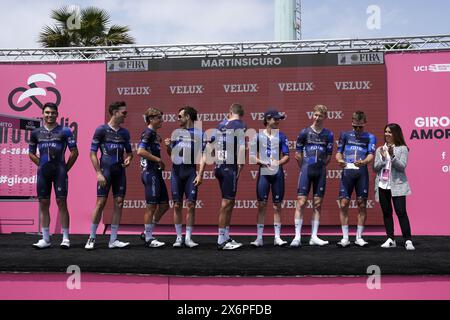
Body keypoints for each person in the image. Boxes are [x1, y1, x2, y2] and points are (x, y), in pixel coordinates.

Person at [29, 102, 79, 249]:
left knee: (61, 203)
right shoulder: (36, 133)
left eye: (52, 113)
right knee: (43, 204)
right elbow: (31, 153)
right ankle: (45, 239)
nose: (50, 115)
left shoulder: (65, 131)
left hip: (60, 173)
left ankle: (65, 238)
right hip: (43, 173)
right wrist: (42, 165)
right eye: (47, 112)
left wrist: (65, 168)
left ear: (57, 114)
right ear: (42, 114)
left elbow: (75, 152)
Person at [85, 101, 133, 250]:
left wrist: (129, 159)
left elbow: (130, 153)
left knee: (119, 203)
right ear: (114, 112)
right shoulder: (101, 130)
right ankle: (92, 238)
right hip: (105, 172)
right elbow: (92, 153)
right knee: (100, 203)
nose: (126, 115)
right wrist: (98, 173)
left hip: (120, 172)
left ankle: (113, 239)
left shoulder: (125, 132)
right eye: (123, 113)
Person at [165, 106, 207, 248]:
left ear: (187, 117)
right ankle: (178, 238)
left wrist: (200, 175)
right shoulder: (176, 133)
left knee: (191, 205)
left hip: (190, 173)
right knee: (177, 205)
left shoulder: (200, 134)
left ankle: (188, 238)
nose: (178, 119)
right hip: (177, 173)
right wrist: (168, 146)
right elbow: (172, 156)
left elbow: (203, 156)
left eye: (180, 116)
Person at [292, 105, 334, 247]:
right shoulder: (304, 132)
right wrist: (305, 167)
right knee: (301, 202)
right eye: (315, 115)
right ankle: (297, 237)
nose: (317, 118)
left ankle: (314, 236)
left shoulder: (329, 134)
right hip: (306, 170)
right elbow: (297, 154)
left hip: (320, 171)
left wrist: (319, 165)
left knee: (317, 204)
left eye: (320, 116)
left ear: (325, 117)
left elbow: (329, 156)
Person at [249, 109, 290, 247]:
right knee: (261, 205)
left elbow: (286, 155)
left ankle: (277, 238)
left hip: (277, 172)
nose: (278, 121)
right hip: (264, 172)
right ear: (267, 120)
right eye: (276, 119)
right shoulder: (258, 136)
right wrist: (262, 162)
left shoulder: (282, 135)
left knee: (277, 205)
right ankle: (259, 238)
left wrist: (278, 162)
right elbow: (252, 156)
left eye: (279, 119)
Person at [336, 111, 376, 247]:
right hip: (347, 172)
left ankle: (359, 237)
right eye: (355, 127)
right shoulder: (345, 135)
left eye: (360, 127)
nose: (357, 129)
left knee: (362, 204)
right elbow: (338, 153)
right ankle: (345, 238)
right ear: (352, 123)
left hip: (361, 173)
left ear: (364, 123)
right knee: (343, 204)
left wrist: (364, 162)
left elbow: (371, 154)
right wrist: (340, 160)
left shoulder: (370, 137)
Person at [211, 103, 247, 250]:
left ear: (230, 112)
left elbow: (212, 147)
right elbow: (241, 146)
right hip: (229, 168)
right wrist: (240, 165)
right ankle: (221, 240)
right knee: (227, 204)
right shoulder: (240, 124)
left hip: (219, 167)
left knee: (229, 203)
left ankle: (225, 236)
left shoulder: (220, 125)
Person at [374, 123, 414, 250]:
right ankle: (390, 239)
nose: (387, 134)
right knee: (386, 213)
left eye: (390, 132)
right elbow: (375, 168)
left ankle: (408, 240)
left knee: (401, 212)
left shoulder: (402, 148)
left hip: (397, 185)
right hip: (382, 184)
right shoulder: (379, 149)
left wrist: (392, 156)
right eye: (386, 131)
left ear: (395, 134)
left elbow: (401, 167)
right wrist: (383, 158)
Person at [136, 107, 170, 248]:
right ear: (151, 119)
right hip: (150, 174)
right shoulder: (148, 133)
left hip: (156, 173)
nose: (161, 120)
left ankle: (146, 232)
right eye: (158, 118)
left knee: (164, 205)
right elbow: (140, 151)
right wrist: (157, 159)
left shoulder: (156, 135)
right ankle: (149, 238)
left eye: (161, 117)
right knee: (151, 206)